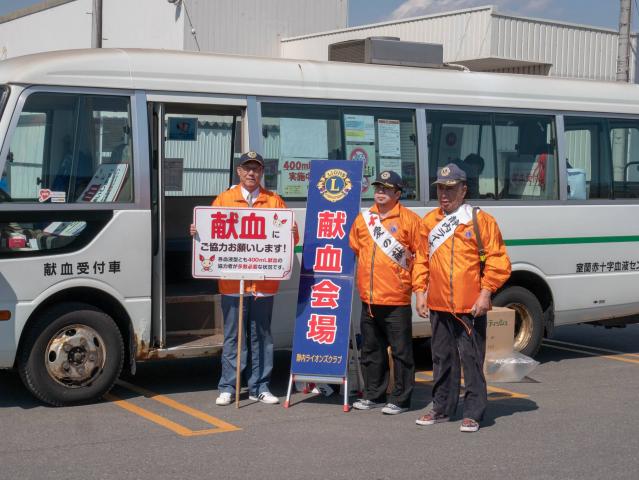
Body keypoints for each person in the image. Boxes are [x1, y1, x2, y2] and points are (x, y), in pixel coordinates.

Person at [190, 151, 298, 406]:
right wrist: (197, 230)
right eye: (247, 168)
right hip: (232, 282)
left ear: (262, 173)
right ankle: (228, 385)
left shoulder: (274, 201)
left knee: (261, 335)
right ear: (239, 172)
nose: (252, 173)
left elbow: (289, 242)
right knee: (233, 336)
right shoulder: (225, 199)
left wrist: (293, 231)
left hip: (264, 284)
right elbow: (208, 237)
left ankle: (260, 386)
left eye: (256, 169)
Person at [414, 163, 511, 432]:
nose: (444, 194)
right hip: (438, 303)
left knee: (471, 359)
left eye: (450, 189)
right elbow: (421, 260)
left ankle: (474, 412)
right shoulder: (429, 222)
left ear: (464, 189)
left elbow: (498, 261)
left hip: (470, 306)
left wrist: (485, 293)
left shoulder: (480, 221)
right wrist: (420, 292)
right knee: (442, 358)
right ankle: (442, 408)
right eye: (440, 189)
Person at [348, 171, 422, 415]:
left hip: (396, 297)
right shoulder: (364, 219)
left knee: (401, 352)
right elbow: (356, 247)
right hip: (369, 298)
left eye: (387, 189)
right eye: (378, 187)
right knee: (371, 350)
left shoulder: (410, 220)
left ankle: (401, 399)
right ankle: (374, 394)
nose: (380, 192)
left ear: (397, 194)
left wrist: (417, 289)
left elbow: (420, 256)